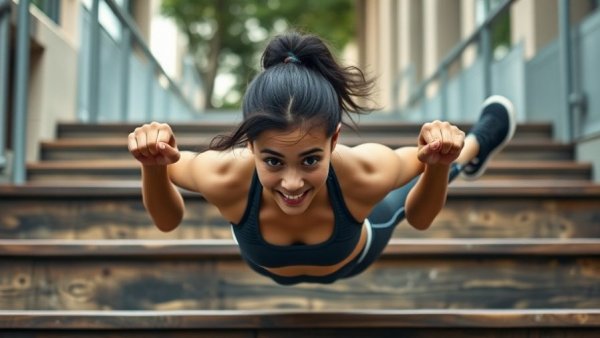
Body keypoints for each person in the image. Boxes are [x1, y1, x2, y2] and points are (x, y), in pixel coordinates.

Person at [128, 31, 516, 285]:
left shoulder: (364, 171)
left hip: (353, 255)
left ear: (334, 141)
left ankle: (478, 142)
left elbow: (420, 217)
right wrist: (152, 164)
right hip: (267, 258)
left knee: (437, 159)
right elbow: (168, 221)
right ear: (249, 146)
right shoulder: (225, 175)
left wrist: (440, 160)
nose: (293, 183)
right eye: (274, 161)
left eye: (311, 160)